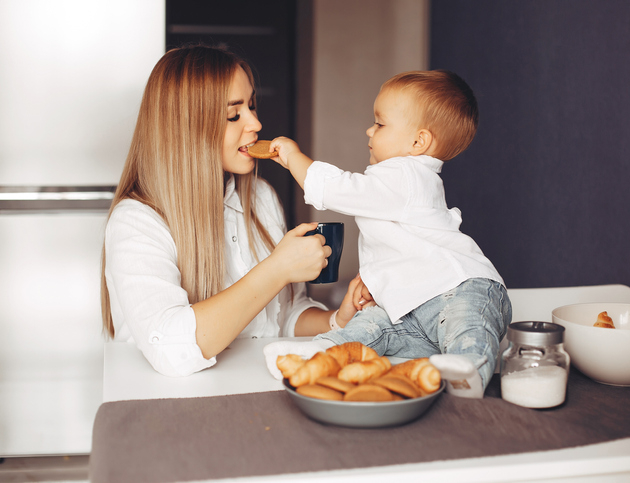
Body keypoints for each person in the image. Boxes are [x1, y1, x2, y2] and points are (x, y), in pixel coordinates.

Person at [101, 45, 363, 377]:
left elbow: (283, 316)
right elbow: (169, 349)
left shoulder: (260, 198)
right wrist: (277, 269)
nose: (255, 122)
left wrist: (338, 318)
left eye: (251, 106)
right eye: (233, 114)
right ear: (187, 127)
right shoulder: (137, 221)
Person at [263, 70, 512, 398]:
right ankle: (322, 352)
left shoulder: (405, 175)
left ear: (417, 142)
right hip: (412, 306)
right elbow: (398, 247)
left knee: (467, 329)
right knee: (372, 326)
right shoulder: (402, 182)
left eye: (380, 124)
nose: (370, 129)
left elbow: (339, 190)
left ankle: (468, 370)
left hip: (460, 288)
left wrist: (294, 158)